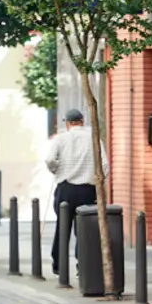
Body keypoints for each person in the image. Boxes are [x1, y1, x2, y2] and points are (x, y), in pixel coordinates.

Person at [44, 109, 106, 276]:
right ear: (82, 121)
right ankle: (83, 265)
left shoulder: (61, 138)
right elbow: (105, 165)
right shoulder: (94, 138)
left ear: (68, 123)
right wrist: (97, 179)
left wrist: (56, 170)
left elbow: (50, 159)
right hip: (87, 189)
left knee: (62, 227)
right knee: (84, 230)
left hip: (66, 189)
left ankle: (58, 264)